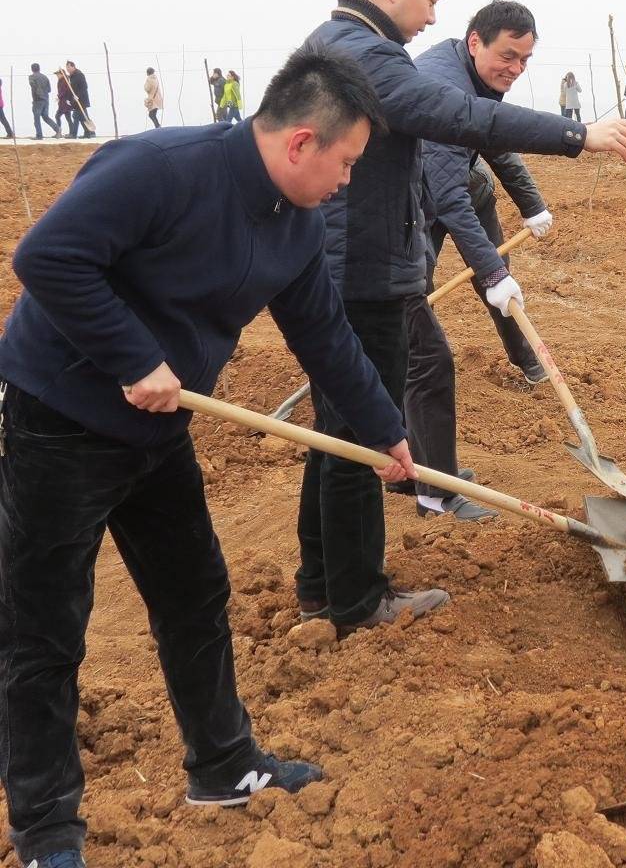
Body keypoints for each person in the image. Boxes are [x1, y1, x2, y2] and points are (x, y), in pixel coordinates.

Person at [0, 46, 416, 868]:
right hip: (60, 424)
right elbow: (45, 258)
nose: (347, 182)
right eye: (347, 162)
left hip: (158, 435)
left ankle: (224, 767)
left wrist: (384, 431)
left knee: (196, 595)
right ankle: (47, 829)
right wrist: (129, 356)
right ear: (302, 142)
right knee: (44, 629)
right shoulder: (161, 169)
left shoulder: (295, 227)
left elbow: (326, 339)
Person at [296, 0, 626, 632]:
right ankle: (358, 602)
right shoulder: (370, 58)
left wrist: (532, 204)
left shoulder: (335, 43)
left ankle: (321, 583)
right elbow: (462, 119)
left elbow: (479, 134)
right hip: (363, 272)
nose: (433, 15)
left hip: (339, 264)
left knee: (335, 433)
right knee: (363, 438)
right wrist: (579, 135)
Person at [412, 0, 621, 518]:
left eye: (526, 60)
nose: (516, 69)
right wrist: (492, 270)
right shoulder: (444, 84)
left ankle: (423, 466)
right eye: (509, 55)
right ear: (475, 42)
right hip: (403, 210)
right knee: (423, 352)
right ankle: (431, 489)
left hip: (434, 195)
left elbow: (495, 137)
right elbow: (444, 192)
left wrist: (531, 206)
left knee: (410, 339)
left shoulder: (470, 74)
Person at [28, 63, 61, 139]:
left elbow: (33, 86)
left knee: (37, 118)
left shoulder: (31, 77)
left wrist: (38, 94)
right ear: (39, 68)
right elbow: (49, 90)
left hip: (37, 100)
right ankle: (57, 129)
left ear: (32, 69)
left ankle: (39, 135)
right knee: (45, 116)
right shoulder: (45, 77)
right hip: (46, 99)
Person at [65, 62, 95, 137]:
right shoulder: (71, 76)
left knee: (78, 117)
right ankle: (88, 133)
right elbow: (71, 89)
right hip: (75, 100)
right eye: (67, 68)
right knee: (81, 117)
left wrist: (78, 96)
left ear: (73, 67)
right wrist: (69, 99)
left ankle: (75, 134)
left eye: (69, 67)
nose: (67, 69)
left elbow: (84, 87)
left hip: (81, 100)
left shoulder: (79, 75)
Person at [54, 69, 79, 139]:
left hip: (65, 103)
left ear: (62, 74)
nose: (57, 76)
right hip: (63, 102)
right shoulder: (61, 80)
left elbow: (65, 91)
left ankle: (59, 132)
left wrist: (59, 96)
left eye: (58, 74)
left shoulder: (65, 80)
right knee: (67, 118)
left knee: (58, 116)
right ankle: (69, 132)